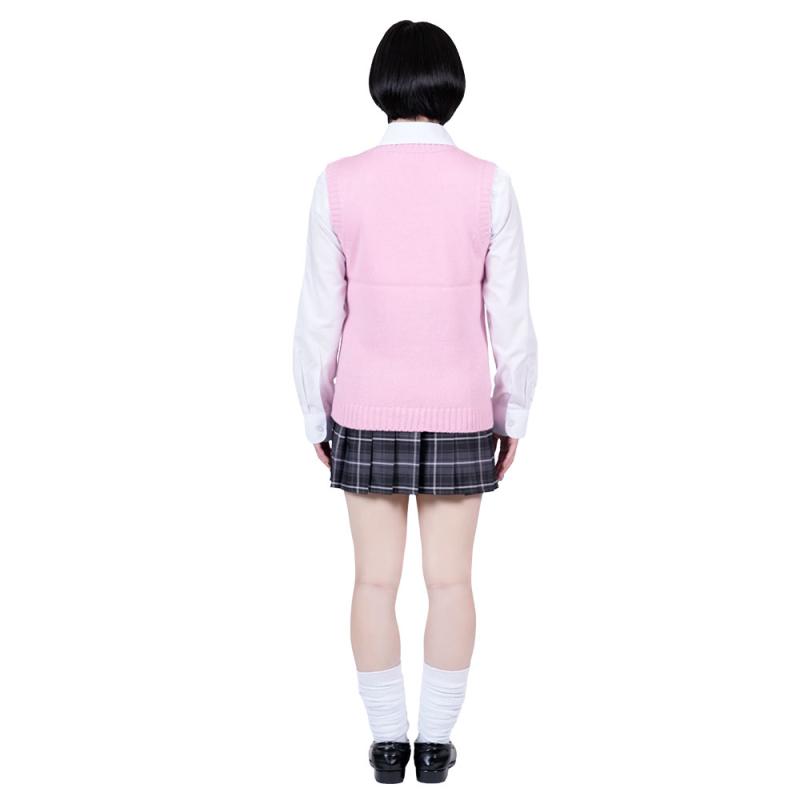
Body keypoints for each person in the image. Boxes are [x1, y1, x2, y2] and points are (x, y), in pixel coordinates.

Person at [291, 19, 537, 783]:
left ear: (383, 85)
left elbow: (319, 318)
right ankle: (435, 744)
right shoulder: (489, 184)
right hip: (461, 411)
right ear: (452, 85)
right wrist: (512, 413)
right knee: (451, 581)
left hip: (365, 410)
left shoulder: (338, 183)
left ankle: (387, 744)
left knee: (372, 580)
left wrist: (315, 412)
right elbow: (511, 318)